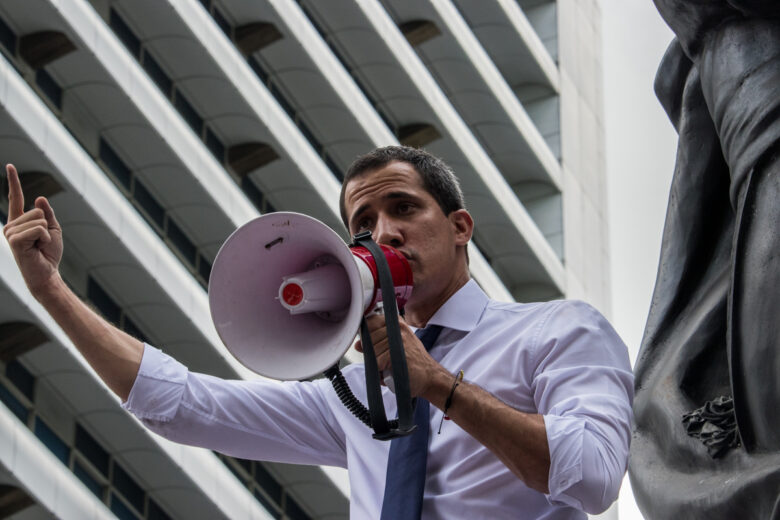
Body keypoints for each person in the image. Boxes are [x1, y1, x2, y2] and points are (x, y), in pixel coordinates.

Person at [3, 146, 633, 519]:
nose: (382, 234)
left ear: (461, 226)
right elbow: (180, 405)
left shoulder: (558, 330)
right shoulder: (359, 394)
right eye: (362, 224)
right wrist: (51, 292)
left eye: (405, 209)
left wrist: (439, 385)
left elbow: (594, 475)